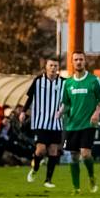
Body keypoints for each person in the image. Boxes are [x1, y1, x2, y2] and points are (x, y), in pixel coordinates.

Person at [58, 51, 100, 193]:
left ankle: (91, 177)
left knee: (85, 154)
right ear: (72, 62)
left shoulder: (94, 80)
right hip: (72, 125)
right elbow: (66, 104)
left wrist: (96, 113)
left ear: (85, 61)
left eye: (81, 59)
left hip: (88, 124)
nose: (78, 62)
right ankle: (76, 187)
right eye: (76, 59)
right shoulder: (67, 83)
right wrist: (60, 112)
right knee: (73, 156)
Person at [22, 58, 65, 187]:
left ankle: (48, 180)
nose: (53, 68)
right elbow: (30, 98)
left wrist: (63, 110)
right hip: (41, 121)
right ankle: (34, 169)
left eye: (55, 66)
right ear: (46, 67)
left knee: (53, 151)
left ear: (58, 68)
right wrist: (23, 111)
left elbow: (68, 100)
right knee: (40, 150)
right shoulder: (38, 81)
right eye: (51, 65)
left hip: (56, 122)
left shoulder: (64, 82)